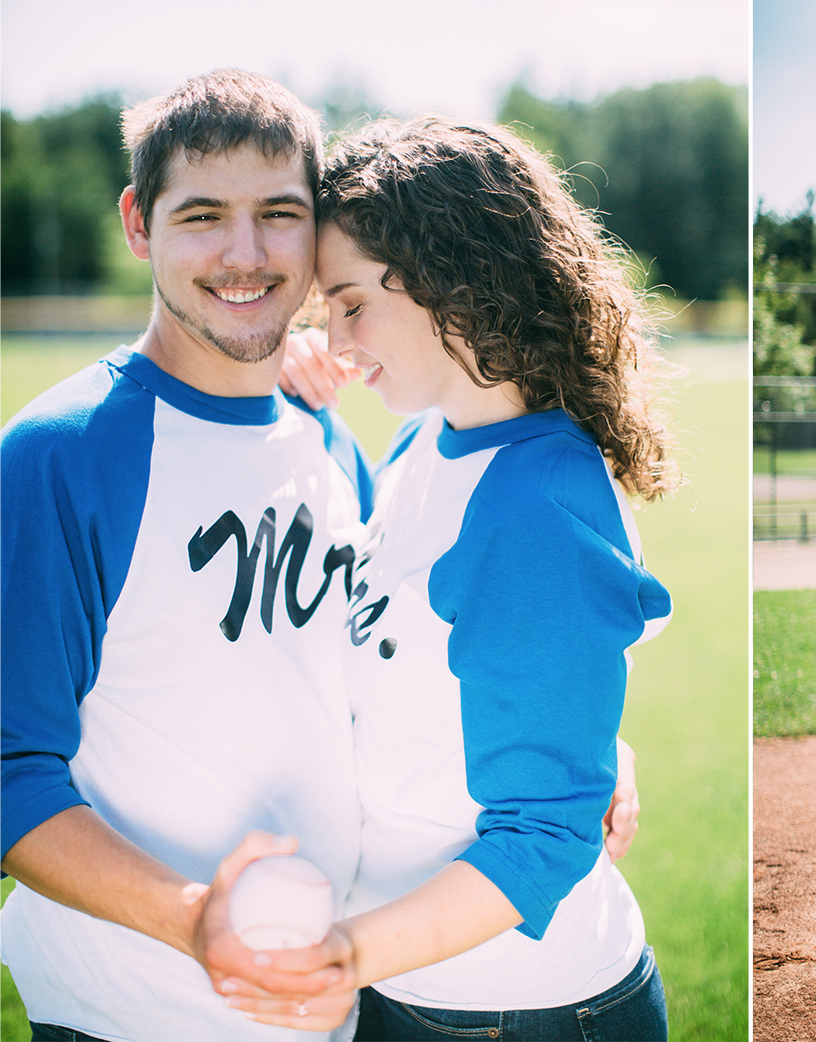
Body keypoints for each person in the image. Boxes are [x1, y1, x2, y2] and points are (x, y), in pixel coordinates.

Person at [231, 116, 675, 1040]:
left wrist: (346, 956)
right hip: (417, 990)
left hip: (524, 1010)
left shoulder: (535, 503)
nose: (338, 338)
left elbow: (547, 835)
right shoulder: (426, 437)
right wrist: (305, 403)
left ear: (452, 283)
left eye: (350, 301)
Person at [1, 69, 371, 1041]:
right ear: (137, 223)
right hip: (132, 1018)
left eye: (280, 215)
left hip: (328, 1010)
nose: (245, 255)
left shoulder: (336, 443)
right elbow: (10, 771)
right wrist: (192, 919)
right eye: (202, 214)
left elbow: (381, 695)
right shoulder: (61, 455)